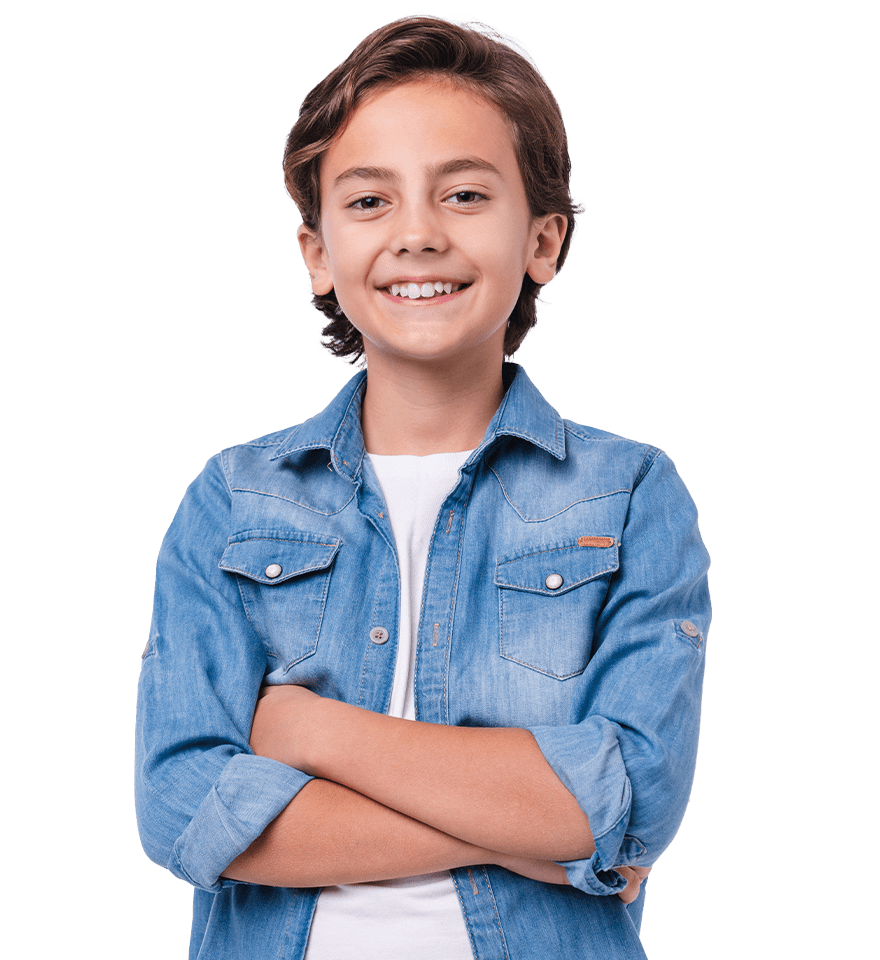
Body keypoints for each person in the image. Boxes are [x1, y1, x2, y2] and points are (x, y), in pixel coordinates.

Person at [135, 13, 710, 960]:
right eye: (367, 202)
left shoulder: (632, 492)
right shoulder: (234, 498)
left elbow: (632, 795)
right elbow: (186, 810)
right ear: (317, 253)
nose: (416, 235)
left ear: (545, 240)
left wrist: (304, 727)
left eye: (466, 194)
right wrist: (543, 834)